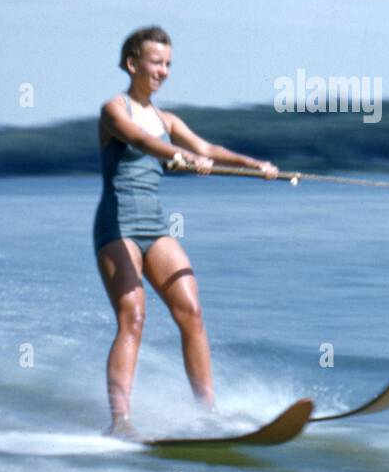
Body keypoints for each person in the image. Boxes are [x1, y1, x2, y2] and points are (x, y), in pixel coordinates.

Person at [94, 25, 278, 438]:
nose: (163, 71)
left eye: (168, 64)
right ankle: (120, 422)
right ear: (132, 64)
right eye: (156, 62)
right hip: (117, 225)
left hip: (154, 226)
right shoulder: (113, 109)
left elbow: (209, 150)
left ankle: (206, 416)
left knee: (191, 312)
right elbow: (139, 140)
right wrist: (180, 155)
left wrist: (258, 166)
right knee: (133, 319)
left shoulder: (167, 118)